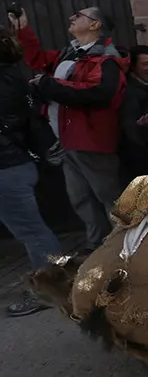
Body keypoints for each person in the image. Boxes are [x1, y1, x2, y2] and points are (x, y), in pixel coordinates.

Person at [11, 6, 126, 254]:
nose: (72, 17)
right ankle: (96, 246)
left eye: (79, 15)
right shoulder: (70, 54)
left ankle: (124, 246)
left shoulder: (107, 60)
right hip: (67, 139)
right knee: (80, 198)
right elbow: (37, 59)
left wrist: (49, 85)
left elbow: (98, 94)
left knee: (109, 198)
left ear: (95, 25)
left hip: (92, 140)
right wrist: (23, 28)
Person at [0, 26, 63, 317]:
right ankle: (59, 280)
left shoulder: (5, 80)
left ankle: (51, 289)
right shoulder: (13, 74)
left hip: (8, 167)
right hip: (16, 163)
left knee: (33, 232)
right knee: (33, 231)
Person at [119, 45, 148, 186]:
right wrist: (145, 136)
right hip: (142, 159)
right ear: (134, 66)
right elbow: (129, 125)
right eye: (145, 64)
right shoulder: (129, 92)